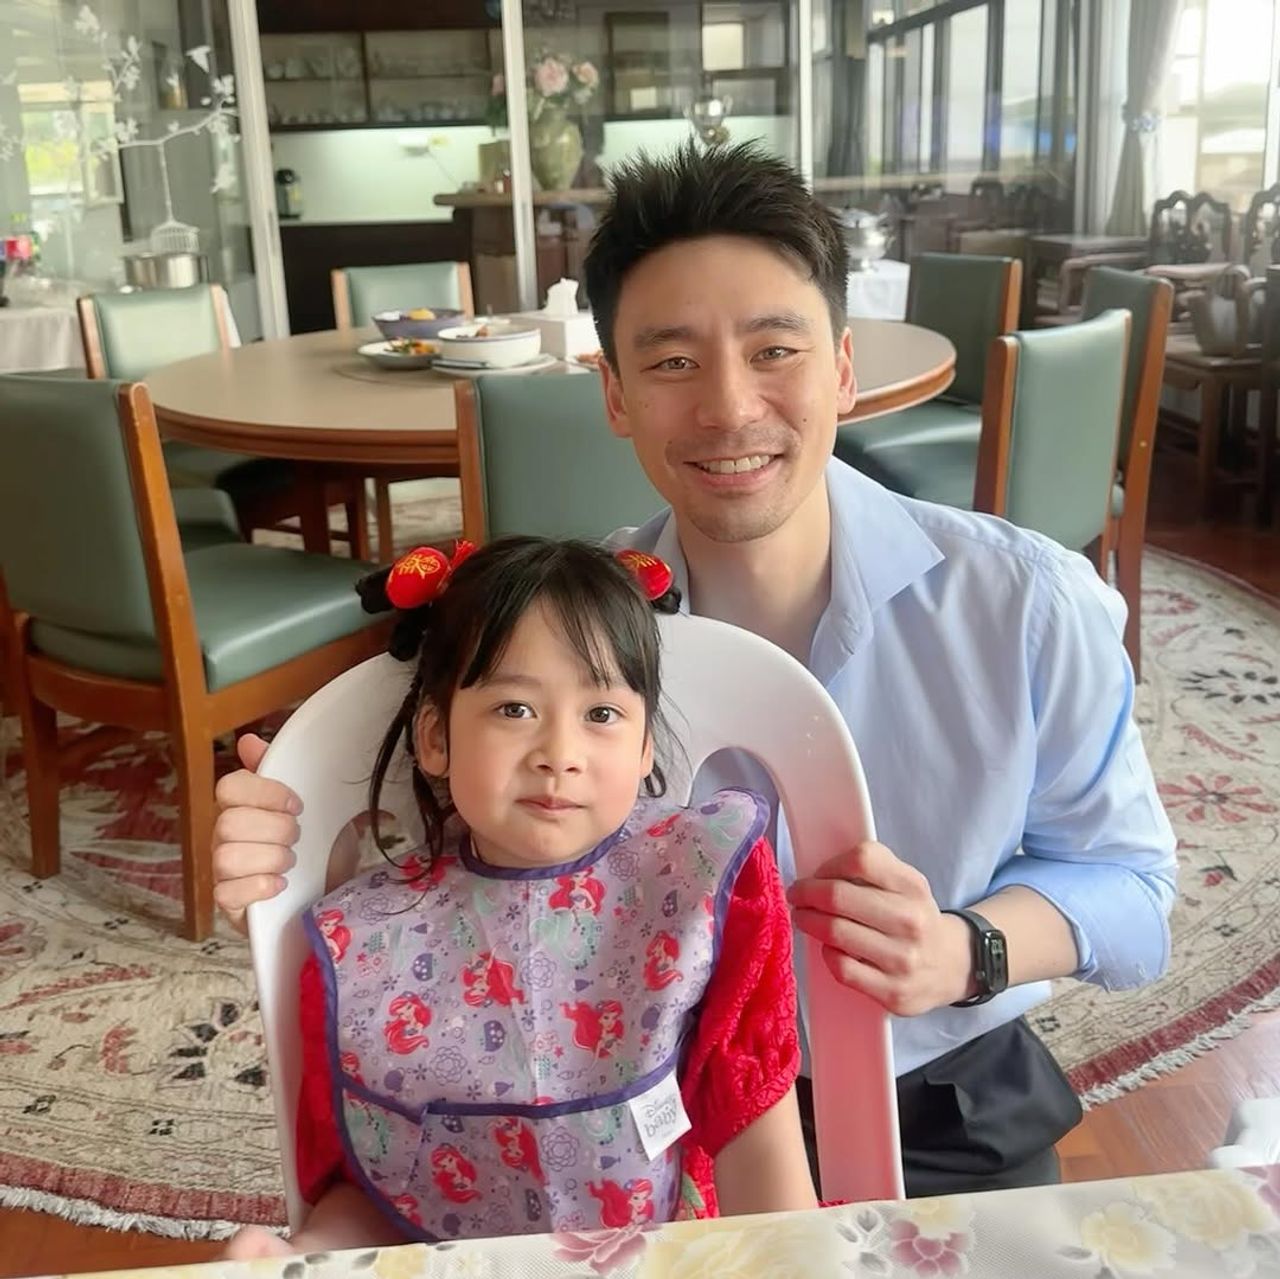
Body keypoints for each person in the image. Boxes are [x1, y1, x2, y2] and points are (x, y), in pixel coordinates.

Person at [213, 142, 1177, 1199]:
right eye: (672, 363)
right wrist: (290, 839)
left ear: (841, 368)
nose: (727, 407)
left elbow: (1133, 892)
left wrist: (965, 948)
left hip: (943, 1103)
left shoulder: (1025, 604)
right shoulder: (572, 628)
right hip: (635, 1126)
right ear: (614, 393)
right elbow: (439, 828)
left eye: (775, 350)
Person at [224, 536, 814, 1259]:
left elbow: (754, 1121)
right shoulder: (367, 940)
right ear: (435, 737)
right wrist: (303, 1253)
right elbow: (381, 1193)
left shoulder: (701, 886)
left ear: (644, 749)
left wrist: (797, 1262)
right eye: (514, 708)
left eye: (601, 713)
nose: (558, 753)